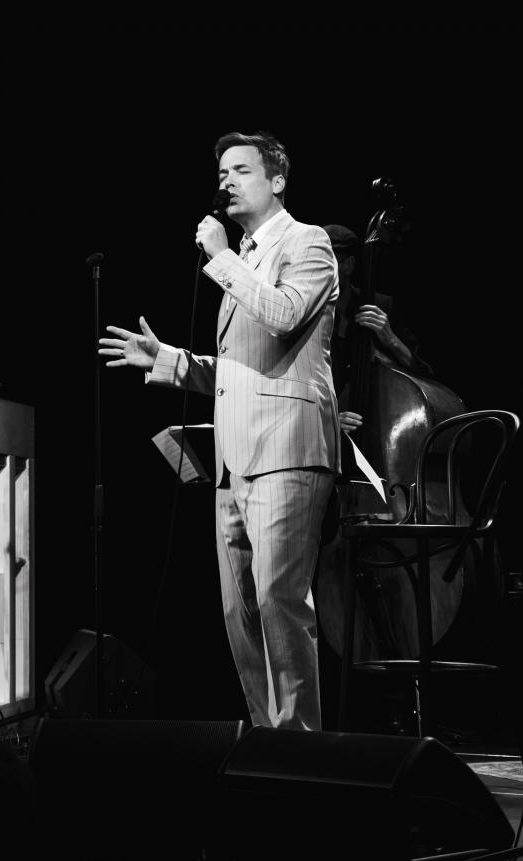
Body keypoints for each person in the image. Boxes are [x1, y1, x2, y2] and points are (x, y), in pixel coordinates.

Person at [99, 131, 339, 730]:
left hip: (287, 447)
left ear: (277, 180)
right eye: (222, 172)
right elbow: (241, 368)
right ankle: (266, 736)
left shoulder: (306, 242)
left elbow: (284, 315)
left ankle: (298, 744)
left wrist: (219, 257)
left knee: (279, 600)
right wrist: (168, 359)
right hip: (233, 459)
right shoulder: (242, 259)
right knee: (240, 612)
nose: (226, 180)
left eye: (241, 170)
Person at [322, 223, 433, 436]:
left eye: (325, 265)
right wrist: (328, 417)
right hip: (329, 435)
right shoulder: (311, 315)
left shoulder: (381, 306)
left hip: (383, 428)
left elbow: (426, 374)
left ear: (348, 266)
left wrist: (390, 338)